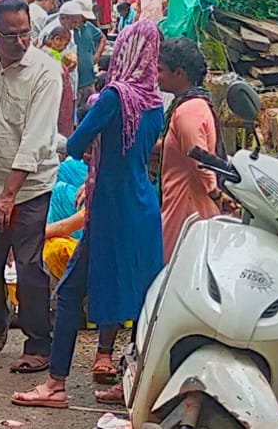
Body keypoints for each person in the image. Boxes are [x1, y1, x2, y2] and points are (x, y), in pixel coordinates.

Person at [13, 22, 166, 409]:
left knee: (67, 293)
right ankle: (133, 381)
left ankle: (55, 384)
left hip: (110, 207)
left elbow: (78, 143)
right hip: (143, 205)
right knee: (142, 298)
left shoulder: (116, 96)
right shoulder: (154, 100)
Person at [0, 0, 61, 372]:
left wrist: (9, 195)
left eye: (26, 33)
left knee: (28, 265)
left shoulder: (46, 72)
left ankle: (39, 341)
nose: (22, 41)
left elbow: (36, 139)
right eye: (12, 35)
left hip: (29, 187)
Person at [156, 37, 225, 261]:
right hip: (182, 196)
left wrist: (215, 193)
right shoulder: (190, 103)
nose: (157, 76)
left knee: (173, 264)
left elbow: (199, 158)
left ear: (180, 73)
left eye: (161, 70)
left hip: (186, 202)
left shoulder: (188, 111)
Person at [60, 0, 107, 115]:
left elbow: (102, 38)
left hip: (89, 79)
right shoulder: (65, 31)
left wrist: (96, 55)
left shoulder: (88, 27)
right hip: (74, 83)